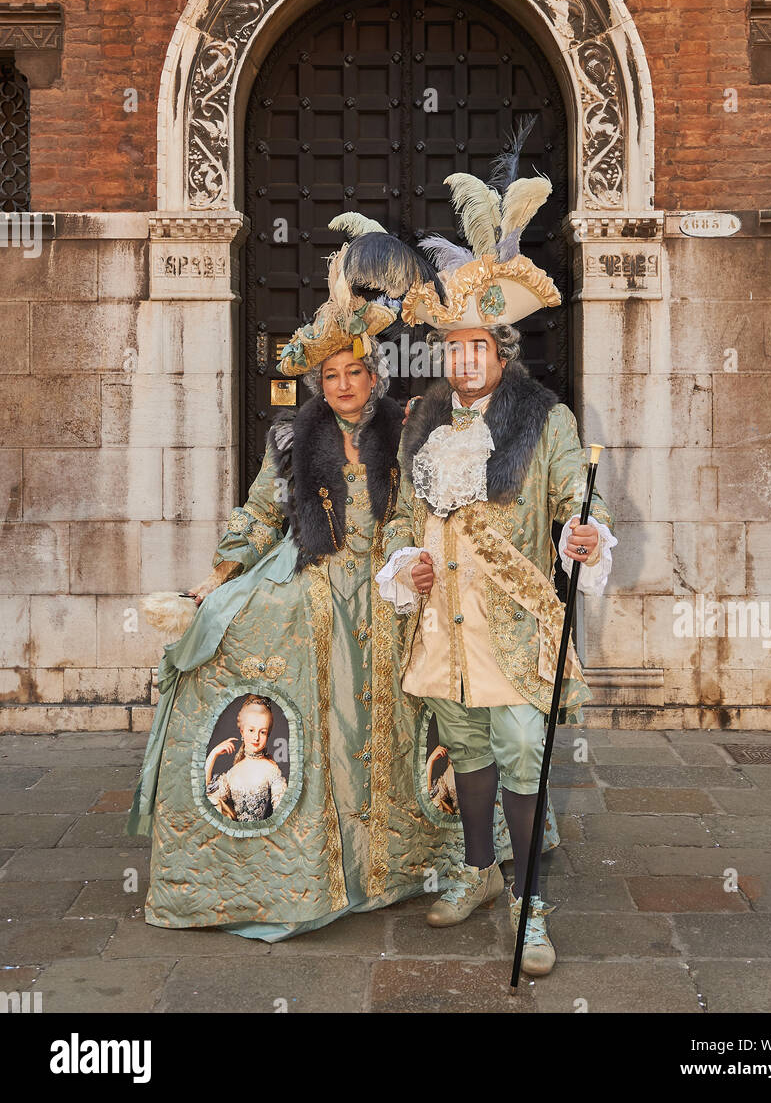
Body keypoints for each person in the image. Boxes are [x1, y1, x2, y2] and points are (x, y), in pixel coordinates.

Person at [127, 226, 463, 938]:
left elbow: (408, 516)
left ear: (375, 375)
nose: (343, 386)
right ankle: (294, 863)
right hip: (311, 584)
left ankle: (399, 861)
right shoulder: (290, 439)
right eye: (331, 376)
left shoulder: (403, 435)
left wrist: (404, 566)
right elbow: (257, 513)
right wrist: (212, 581)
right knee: (227, 641)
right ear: (320, 381)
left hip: (386, 590)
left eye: (355, 373)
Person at [352, 119, 618, 976]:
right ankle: (475, 872)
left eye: (479, 345)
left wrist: (583, 533)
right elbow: (399, 518)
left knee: (518, 759)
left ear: (502, 348)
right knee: (463, 751)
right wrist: (404, 564)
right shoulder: (420, 419)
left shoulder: (545, 419)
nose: (464, 358)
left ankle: (532, 906)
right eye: (453, 346)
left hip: (513, 624)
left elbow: (579, 493)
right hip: (442, 624)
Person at [204, 694, 287, 822]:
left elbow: (282, 814)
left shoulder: (271, 769)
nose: (256, 738)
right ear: (242, 731)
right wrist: (212, 755)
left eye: (263, 732)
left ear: (268, 734)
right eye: (251, 730)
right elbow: (208, 803)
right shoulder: (233, 771)